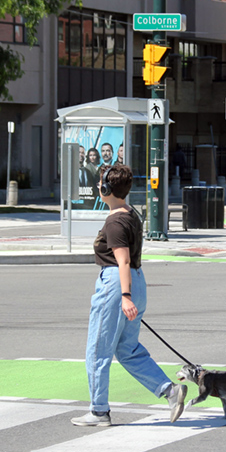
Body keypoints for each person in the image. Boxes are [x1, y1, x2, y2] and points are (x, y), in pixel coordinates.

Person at [71, 164, 187, 427]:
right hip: (137, 280)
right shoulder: (131, 214)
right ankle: (170, 391)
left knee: (98, 350)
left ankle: (99, 411)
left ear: (105, 188)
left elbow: (121, 261)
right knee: (127, 349)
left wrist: (124, 296)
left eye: (101, 183)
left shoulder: (114, 221)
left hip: (116, 283)